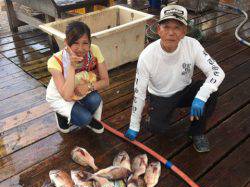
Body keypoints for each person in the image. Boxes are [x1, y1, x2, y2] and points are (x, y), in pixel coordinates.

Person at [125, 4, 225, 152]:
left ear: (184, 31)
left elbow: (217, 72)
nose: (171, 32)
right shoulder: (147, 56)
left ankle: (196, 132)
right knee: (156, 128)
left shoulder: (193, 45)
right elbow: (139, 92)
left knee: (211, 92)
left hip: (184, 90)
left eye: (177, 27)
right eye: (166, 27)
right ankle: (152, 110)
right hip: (160, 96)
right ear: (158, 29)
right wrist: (134, 125)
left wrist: (201, 96)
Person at [46, 21, 109, 133]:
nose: (81, 48)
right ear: (66, 43)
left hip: (81, 88)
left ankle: (82, 115)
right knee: (84, 118)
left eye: (85, 43)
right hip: (61, 94)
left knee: (95, 100)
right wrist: (72, 67)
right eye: (75, 43)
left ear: (90, 42)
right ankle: (63, 114)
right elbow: (66, 96)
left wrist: (88, 87)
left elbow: (105, 81)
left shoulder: (94, 50)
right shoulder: (54, 61)